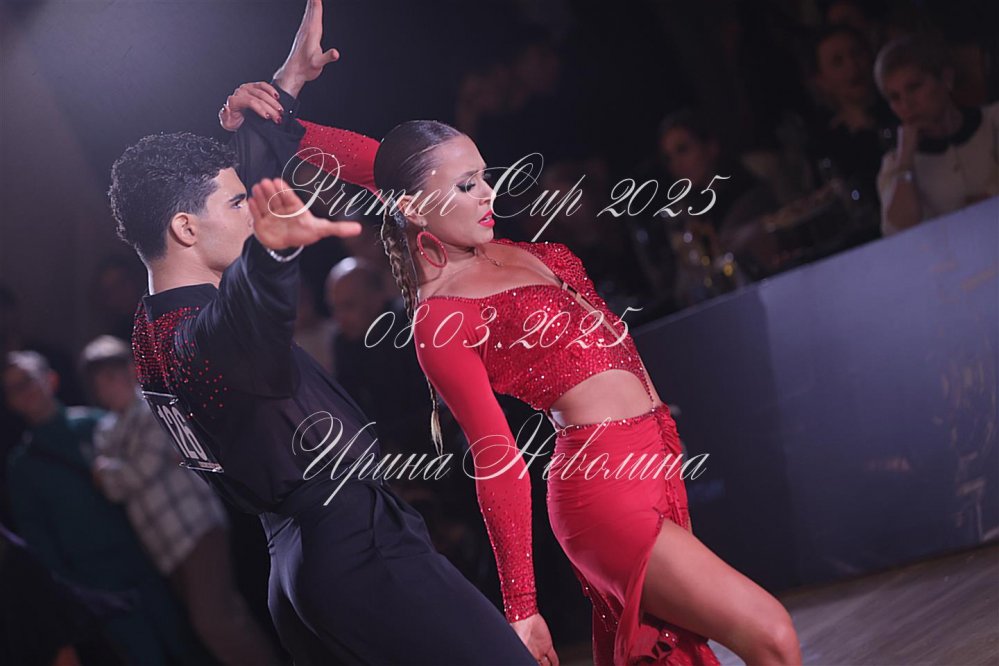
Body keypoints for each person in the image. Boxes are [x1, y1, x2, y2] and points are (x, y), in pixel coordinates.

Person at [222, 38, 802, 666]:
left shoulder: (493, 245)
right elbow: (496, 458)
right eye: (468, 184)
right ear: (414, 207)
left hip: (656, 460)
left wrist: (282, 96)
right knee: (771, 634)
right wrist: (523, 606)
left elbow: (390, 168)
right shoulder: (442, 317)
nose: (488, 194)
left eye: (485, 176)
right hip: (603, 493)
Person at [110, 2, 538, 663]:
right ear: (185, 229)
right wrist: (273, 254)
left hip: (300, 564)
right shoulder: (208, 335)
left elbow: (245, 248)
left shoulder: (150, 330)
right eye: (237, 205)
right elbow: (246, 317)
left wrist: (284, 88)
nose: (253, 211)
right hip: (357, 551)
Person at [80, 335, 281, 666]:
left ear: (130, 371)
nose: (108, 386)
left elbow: (138, 472)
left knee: (214, 623)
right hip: (164, 546)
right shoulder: (104, 430)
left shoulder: (153, 408)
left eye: (112, 375)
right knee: (224, 619)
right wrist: (117, 473)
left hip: (195, 527)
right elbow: (115, 489)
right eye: (99, 382)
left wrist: (111, 470)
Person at [2, 351, 204, 665]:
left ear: (51, 379)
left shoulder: (97, 424)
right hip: (96, 581)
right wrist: (72, 590)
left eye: (28, 379)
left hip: (150, 555)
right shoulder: (21, 468)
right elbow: (38, 537)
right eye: (13, 389)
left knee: (189, 643)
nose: (25, 391)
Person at [874, 33, 999, 236]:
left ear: (946, 78)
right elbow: (898, 233)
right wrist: (905, 161)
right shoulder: (894, 164)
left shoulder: (993, 120)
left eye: (914, 87)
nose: (906, 104)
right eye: (895, 97)